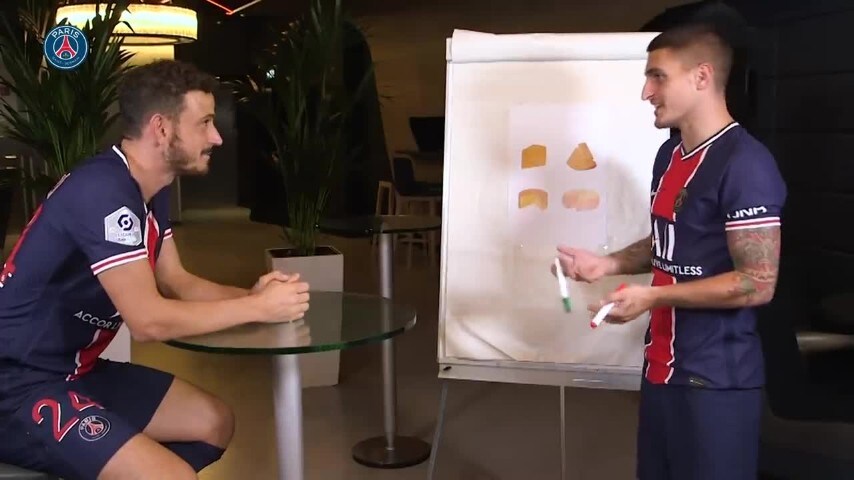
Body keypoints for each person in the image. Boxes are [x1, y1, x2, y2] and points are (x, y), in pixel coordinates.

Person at [0, 60, 310, 480]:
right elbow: (148, 321)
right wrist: (258, 309)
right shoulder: (102, 192)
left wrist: (256, 297)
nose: (216, 137)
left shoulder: (148, 188)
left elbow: (178, 282)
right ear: (161, 129)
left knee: (213, 422)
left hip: (76, 371)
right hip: (17, 383)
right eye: (204, 123)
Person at [555, 23, 786, 480]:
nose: (646, 92)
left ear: (701, 77)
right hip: (660, 370)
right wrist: (608, 264)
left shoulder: (746, 164)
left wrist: (653, 297)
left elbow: (757, 283)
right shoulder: (670, 155)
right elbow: (668, 240)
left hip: (717, 381)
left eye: (657, 77)